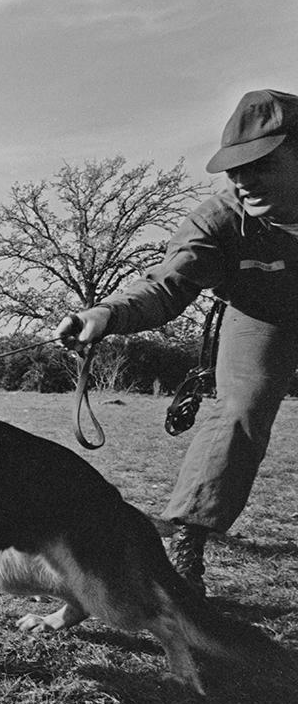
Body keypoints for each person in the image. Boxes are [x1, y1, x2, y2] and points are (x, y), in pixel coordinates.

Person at [57, 89, 298, 598]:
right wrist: (104, 313)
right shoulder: (218, 219)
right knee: (238, 409)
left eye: (260, 164)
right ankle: (187, 549)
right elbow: (167, 286)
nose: (241, 179)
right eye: (233, 168)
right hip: (264, 317)